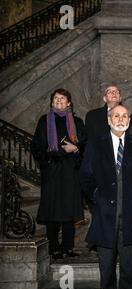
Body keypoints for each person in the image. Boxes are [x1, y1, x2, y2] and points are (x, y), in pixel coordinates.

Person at [80, 105, 132, 289]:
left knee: (130, 272)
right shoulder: (95, 144)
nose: (121, 119)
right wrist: (96, 195)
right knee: (106, 271)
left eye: (125, 116)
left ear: (129, 120)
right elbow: (85, 175)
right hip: (104, 217)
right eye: (116, 115)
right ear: (109, 119)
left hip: (130, 220)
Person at [30, 88, 86, 260]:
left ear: (69, 102)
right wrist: (48, 161)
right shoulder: (44, 121)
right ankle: (54, 248)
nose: (59, 101)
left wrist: (75, 148)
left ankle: (68, 247)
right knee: (52, 212)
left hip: (70, 171)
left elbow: (85, 144)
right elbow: (36, 147)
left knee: (69, 212)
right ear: (52, 102)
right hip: (52, 171)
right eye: (56, 98)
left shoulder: (76, 121)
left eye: (62, 98)